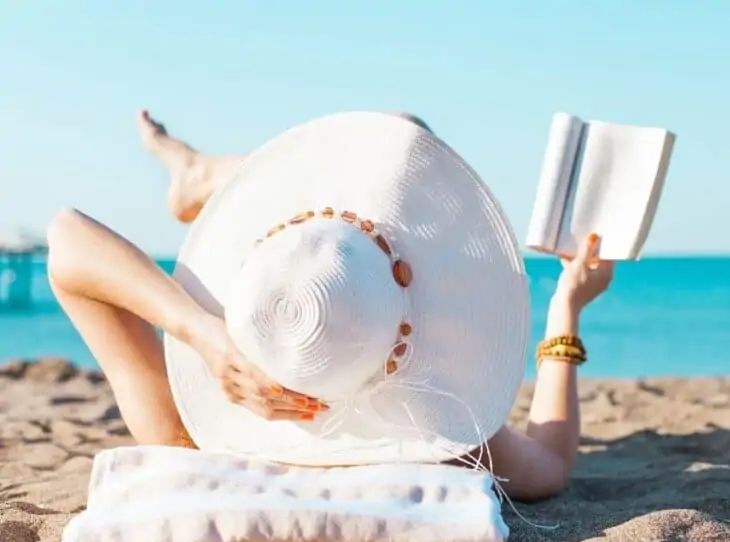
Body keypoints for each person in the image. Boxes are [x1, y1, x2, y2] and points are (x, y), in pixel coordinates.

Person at [45, 110, 614, 503]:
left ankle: (203, 176)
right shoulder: (438, 440)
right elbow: (551, 461)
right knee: (403, 133)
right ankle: (207, 177)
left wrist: (202, 333)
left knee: (397, 138)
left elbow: (67, 237)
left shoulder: (185, 435)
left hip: (234, 343)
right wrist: (566, 305)